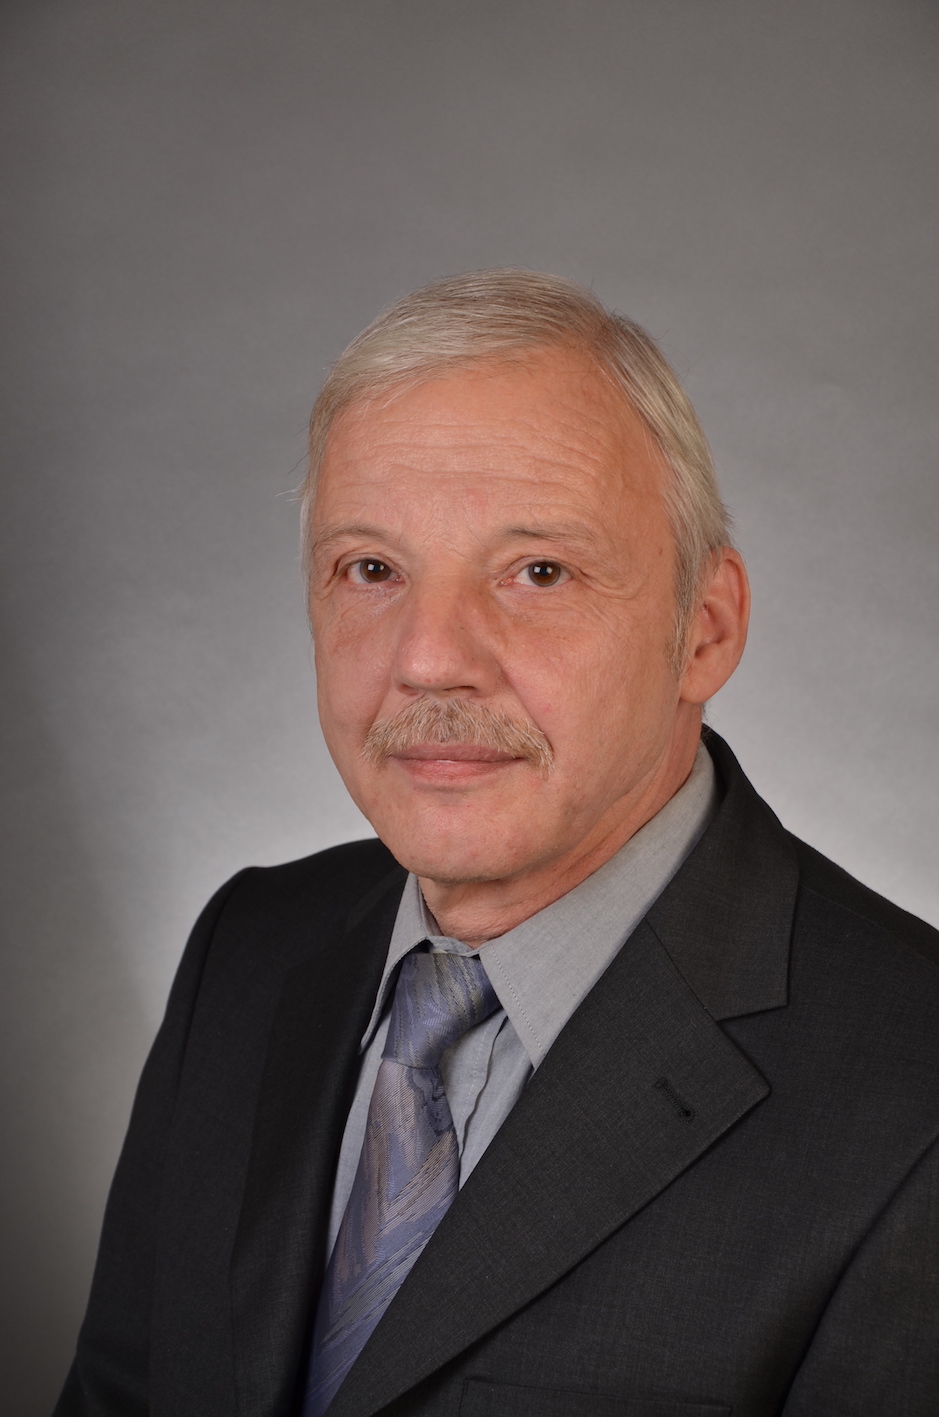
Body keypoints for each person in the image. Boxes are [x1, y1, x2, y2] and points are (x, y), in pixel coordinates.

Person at [55, 270, 939, 1417]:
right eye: (372, 569)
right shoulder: (249, 948)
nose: (430, 657)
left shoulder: (912, 1092)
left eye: (538, 571)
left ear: (705, 630)